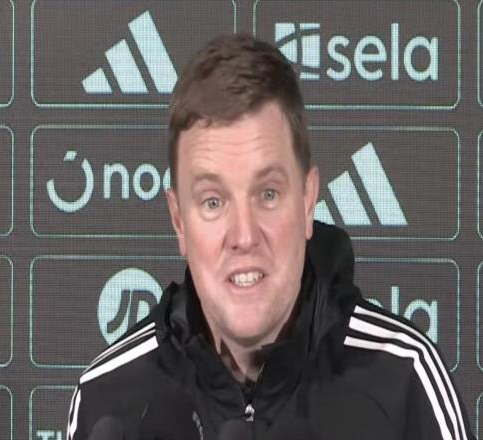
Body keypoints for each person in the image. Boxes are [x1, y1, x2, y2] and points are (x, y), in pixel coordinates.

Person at [67, 34, 475, 440]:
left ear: (308, 201)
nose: (244, 236)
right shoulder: (106, 397)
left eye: (267, 194)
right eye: (213, 202)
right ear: (179, 222)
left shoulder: (404, 380)